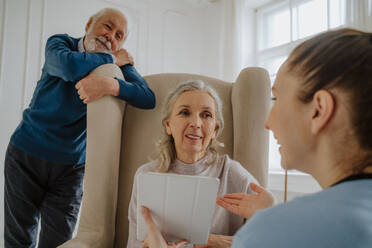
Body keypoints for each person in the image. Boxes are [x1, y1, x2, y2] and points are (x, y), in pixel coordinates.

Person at [140, 28, 372, 248]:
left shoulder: (273, 229)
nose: (267, 123)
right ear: (168, 125)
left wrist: (269, 222)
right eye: (184, 113)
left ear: (319, 110)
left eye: (276, 99)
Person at [4, 7, 155, 248]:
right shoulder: (60, 44)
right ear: (88, 24)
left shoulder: (116, 66)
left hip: (70, 169)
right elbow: (67, 67)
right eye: (108, 26)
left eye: (119, 36)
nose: (111, 37)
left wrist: (111, 85)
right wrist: (113, 59)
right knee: (18, 241)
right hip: (25, 156)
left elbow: (148, 98)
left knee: (59, 243)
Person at [127, 80, 275, 248]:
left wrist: (272, 214)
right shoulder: (146, 175)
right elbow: (134, 243)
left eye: (206, 115)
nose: (196, 123)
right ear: (168, 125)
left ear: (215, 130)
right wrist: (205, 243)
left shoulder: (232, 173)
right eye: (184, 112)